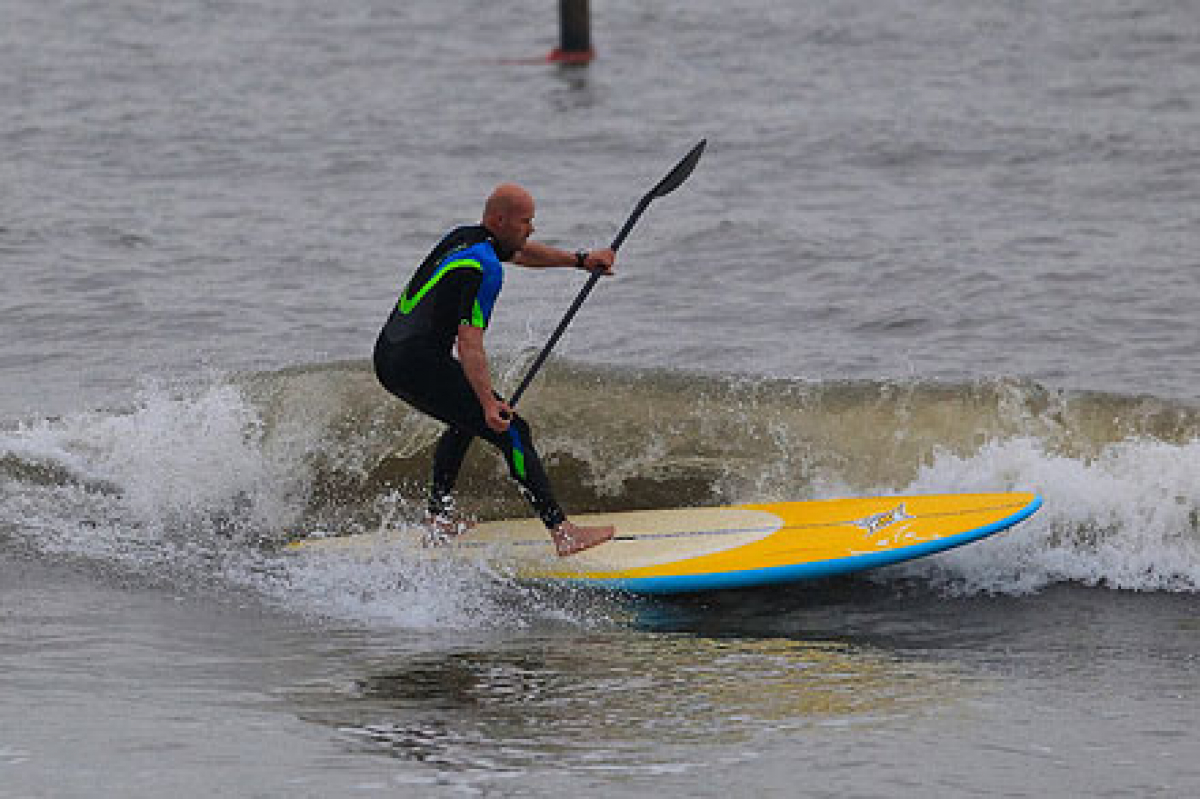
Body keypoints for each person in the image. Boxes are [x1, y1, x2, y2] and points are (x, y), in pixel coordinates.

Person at [373, 183, 616, 557]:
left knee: (463, 420)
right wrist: (488, 402)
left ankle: (438, 521)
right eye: (526, 221)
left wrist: (580, 260)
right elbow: (469, 342)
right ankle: (562, 532)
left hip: (390, 354)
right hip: (416, 363)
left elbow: (520, 254)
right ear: (499, 220)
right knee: (512, 429)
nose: (531, 229)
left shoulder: (465, 239)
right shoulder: (485, 268)